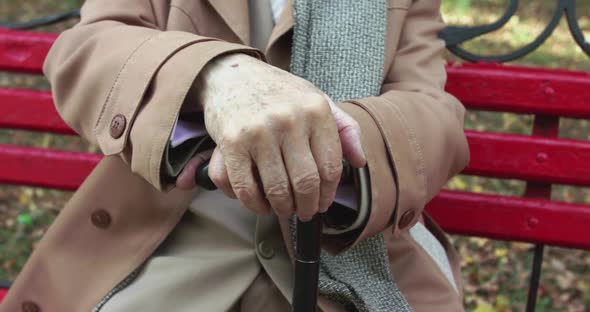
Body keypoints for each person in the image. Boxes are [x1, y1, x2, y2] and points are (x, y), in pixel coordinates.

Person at [1, 0, 470, 311]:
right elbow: (88, 46)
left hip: (349, 261)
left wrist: (318, 138)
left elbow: (430, 109)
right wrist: (217, 75)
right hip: (166, 252)